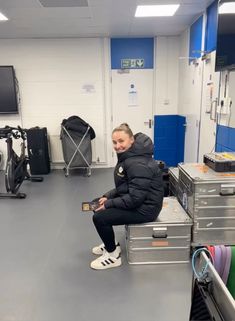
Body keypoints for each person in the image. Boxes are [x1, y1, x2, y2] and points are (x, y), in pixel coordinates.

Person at [91, 123, 164, 270]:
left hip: (146, 210)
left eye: (121, 141)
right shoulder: (130, 157)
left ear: (131, 140)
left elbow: (135, 199)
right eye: (114, 142)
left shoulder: (138, 163)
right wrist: (107, 196)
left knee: (100, 217)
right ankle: (111, 244)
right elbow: (127, 186)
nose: (117, 146)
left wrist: (109, 204)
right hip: (139, 202)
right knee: (97, 204)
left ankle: (112, 256)